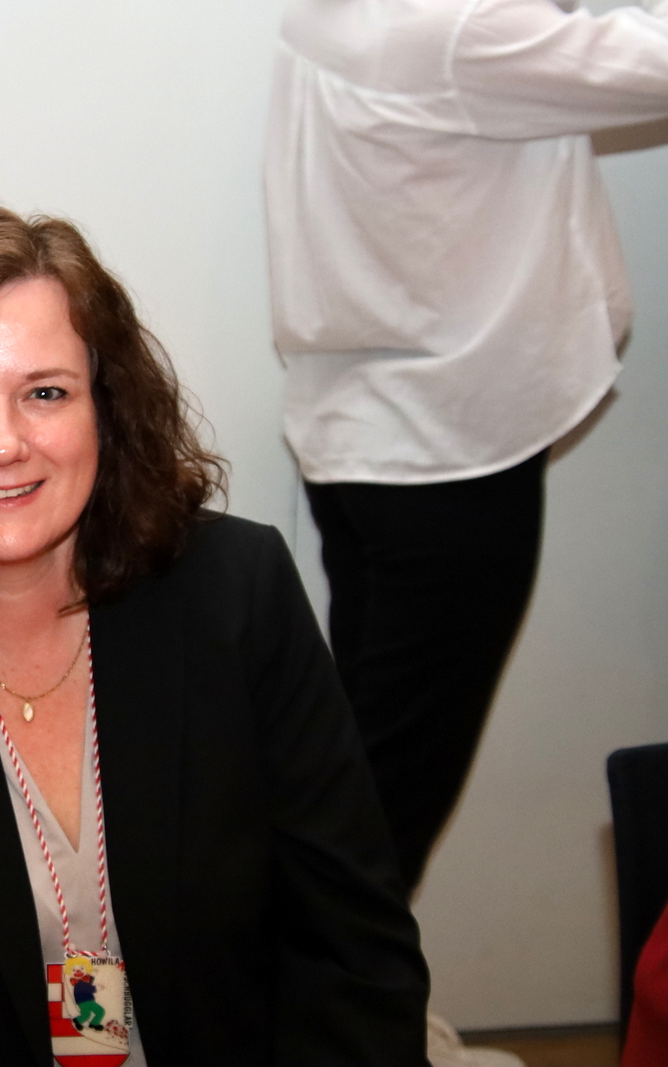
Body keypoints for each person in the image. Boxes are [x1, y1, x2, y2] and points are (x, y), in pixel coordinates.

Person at [0, 205, 429, 1066]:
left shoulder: (238, 595)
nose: (3, 443)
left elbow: (357, 956)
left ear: (106, 409)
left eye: (46, 393)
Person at [265, 4, 668, 1061]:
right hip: (449, 455)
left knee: (354, 784)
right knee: (380, 811)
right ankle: (333, 1029)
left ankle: (347, 1013)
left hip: (365, 437)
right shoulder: (460, 27)